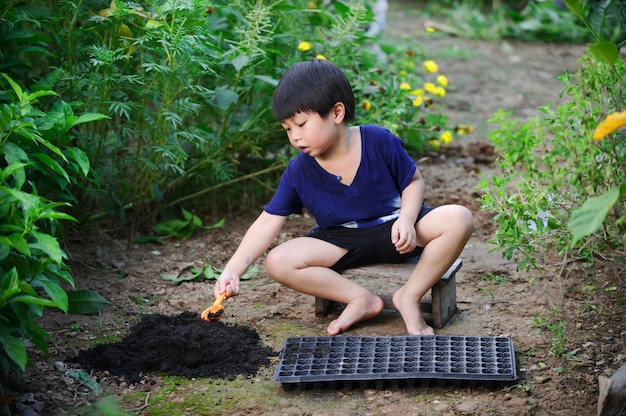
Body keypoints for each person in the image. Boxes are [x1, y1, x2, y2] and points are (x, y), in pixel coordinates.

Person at [213, 59, 475, 336]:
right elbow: (267, 222)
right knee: (278, 261)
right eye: (287, 129)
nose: (295, 137)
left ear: (336, 112)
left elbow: (412, 182)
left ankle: (408, 296)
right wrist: (233, 270)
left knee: (459, 218)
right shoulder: (299, 170)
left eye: (301, 124)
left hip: (398, 230)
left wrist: (408, 219)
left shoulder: (378, 140)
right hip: (341, 240)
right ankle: (360, 298)